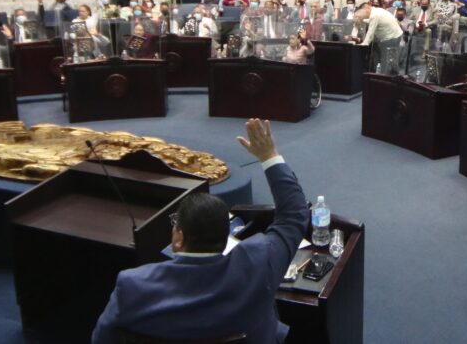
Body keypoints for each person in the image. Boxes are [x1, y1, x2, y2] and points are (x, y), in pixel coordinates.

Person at [93, 118, 308, 343]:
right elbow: (294, 216)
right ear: (225, 240)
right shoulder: (258, 264)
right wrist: (269, 156)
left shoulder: (132, 285)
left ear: (179, 238)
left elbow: (103, 338)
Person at [352, 1, 404, 73]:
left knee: (387, 62)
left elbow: (370, 32)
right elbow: (370, 21)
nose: (365, 16)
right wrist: (361, 19)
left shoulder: (374, 15)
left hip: (391, 37)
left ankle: (387, 80)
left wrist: (364, 44)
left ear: (366, 9)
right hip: (392, 36)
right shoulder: (376, 11)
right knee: (390, 61)